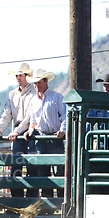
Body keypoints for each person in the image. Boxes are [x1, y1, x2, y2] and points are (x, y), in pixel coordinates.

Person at [0, 63, 38, 198]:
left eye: (20, 75)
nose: (18, 78)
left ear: (27, 76)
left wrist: (16, 131)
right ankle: (17, 201)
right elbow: (6, 114)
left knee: (32, 169)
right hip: (17, 134)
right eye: (17, 75)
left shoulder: (34, 92)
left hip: (31, 132)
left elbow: (31, 115)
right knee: (15, 169)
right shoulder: (12, 94)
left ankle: (30, 201)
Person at [23, 69, 66, 200]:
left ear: (46, 82)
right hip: (41, 138)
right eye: (35, 83)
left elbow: (65, 116)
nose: (36, 86)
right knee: (43, 172)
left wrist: (62, 130)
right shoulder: (33, 100)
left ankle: (61, 201)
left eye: (39, 83)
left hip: (55, 137)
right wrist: (30, 130)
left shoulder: (57, 97)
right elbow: (33, 120)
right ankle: (48, 204)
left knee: (59, 171)